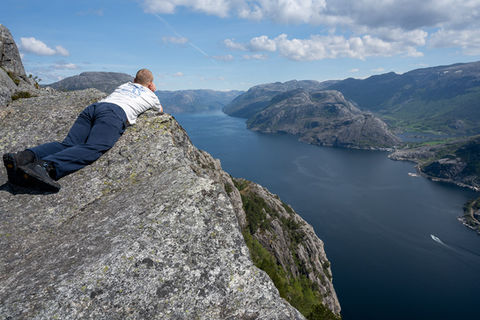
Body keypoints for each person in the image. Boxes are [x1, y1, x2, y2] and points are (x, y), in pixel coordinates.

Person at [3, 68, 163, 192]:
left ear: (134, 80)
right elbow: (160, 111)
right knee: (95, 146)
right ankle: (45, 167)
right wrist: (151, 90)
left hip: (95, 108)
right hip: (114, 114)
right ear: (150, 84)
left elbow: (137, 84)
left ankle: (22, 157)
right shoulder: (151, 95)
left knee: (69, 144)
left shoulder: (125, 85)